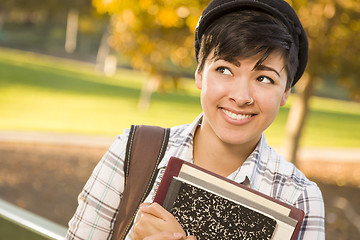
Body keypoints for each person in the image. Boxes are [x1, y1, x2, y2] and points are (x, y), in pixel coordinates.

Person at [66, 0, 325, 239]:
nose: (241, 96)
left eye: (264, 78)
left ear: (286, 91)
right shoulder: (133, 151)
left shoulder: (300, 197)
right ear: (200, 74)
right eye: (224, 70)